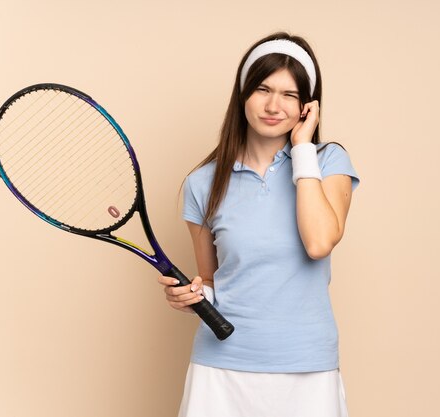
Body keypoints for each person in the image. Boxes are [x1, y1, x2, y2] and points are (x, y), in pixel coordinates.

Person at [157, 32, 360, 417]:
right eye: (262, 89)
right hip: (221, 369)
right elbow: (213, 284)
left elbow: (319, 242)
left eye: (289, 95)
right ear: (243, 95)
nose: (273, 105)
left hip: (307, 367)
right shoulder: (203, 184)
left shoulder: (327, 161)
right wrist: (189, 298)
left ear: (307, 106)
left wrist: (302, 148)